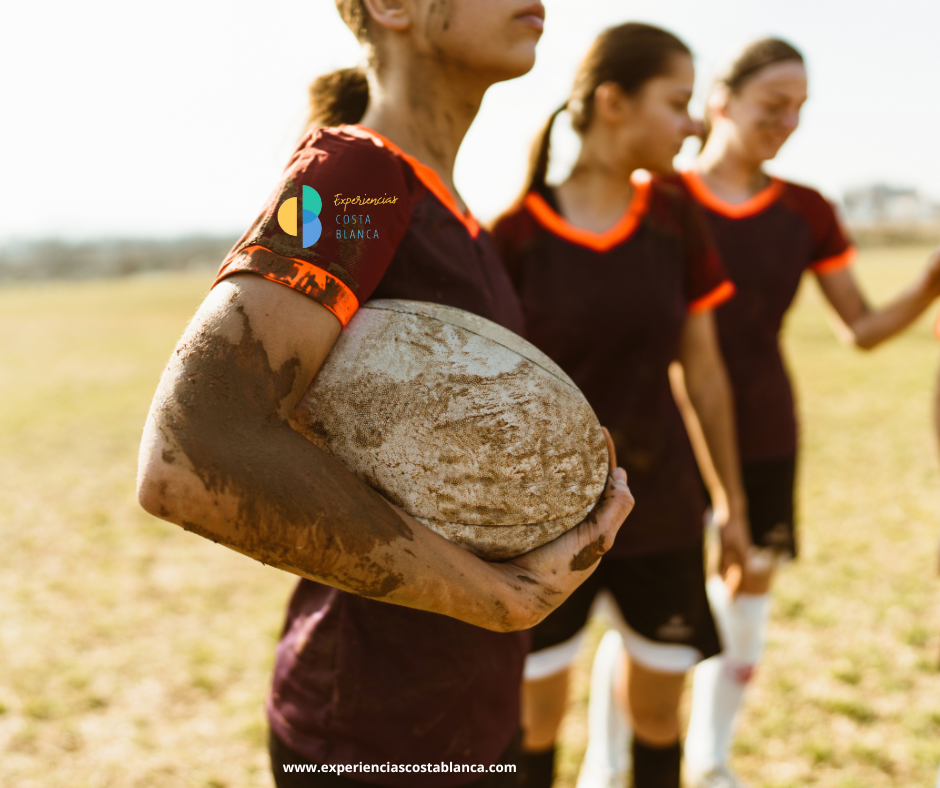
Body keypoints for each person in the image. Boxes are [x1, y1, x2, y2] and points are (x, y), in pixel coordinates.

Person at [135, 1, 636, 786]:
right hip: (374, 734)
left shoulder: (460, 214)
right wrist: (502, 602)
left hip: (472, 709)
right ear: (390, 7)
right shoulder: (358, 175)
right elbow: (193, 453)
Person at [669, 38, 940, 788]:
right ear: (719, 102)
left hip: (762, 423)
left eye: (800, 110)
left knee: (747, 594)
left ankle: (711, 760)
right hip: (661, 429)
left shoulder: (807, 210)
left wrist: (928, 282)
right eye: (771, 106)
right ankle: (612, 766)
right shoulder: (660, 196)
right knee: (651, 609)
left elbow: (860, 329)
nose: (787, 123)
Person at [491, 23, 749, 788]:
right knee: (533, 721)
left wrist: (731, 503)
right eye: (677, 102)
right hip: (540, 527)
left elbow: (703, 375)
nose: (694, 123)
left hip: (663, 511)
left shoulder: (675, 218)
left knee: (659, 720)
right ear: (612, 102)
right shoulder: (513, 238)